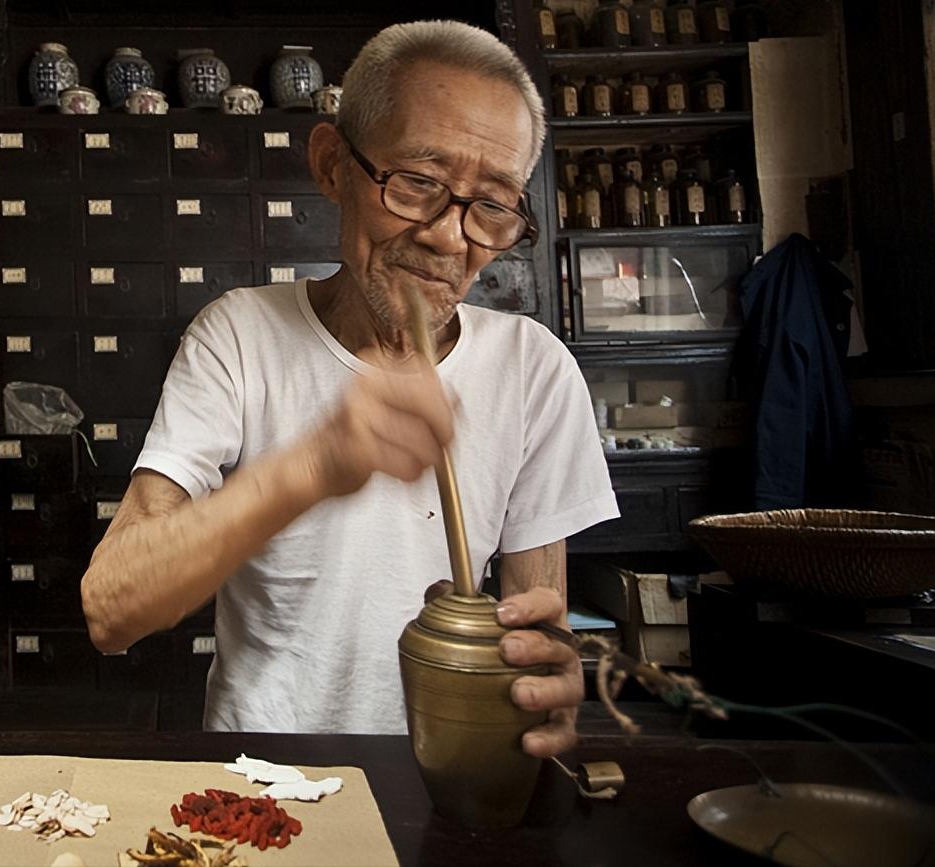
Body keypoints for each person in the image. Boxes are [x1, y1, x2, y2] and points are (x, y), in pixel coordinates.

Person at [81, 20, 617, 758]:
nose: (450, 238)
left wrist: (548, 685)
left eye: (492, 205)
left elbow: (537, 623)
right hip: (262, 775)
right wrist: (315, 465)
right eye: (419, 183)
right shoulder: (239, 336)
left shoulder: (534, 368)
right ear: (332, 164)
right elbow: (112, 608)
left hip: (443, 765)